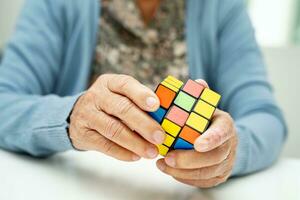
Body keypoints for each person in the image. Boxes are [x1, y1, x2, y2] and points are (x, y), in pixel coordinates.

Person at [0, 0, 287, 188]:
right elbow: (5, 102)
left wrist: (229, 150)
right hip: (81, 187)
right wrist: (71, 117)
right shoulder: (54, 4)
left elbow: (266, 117)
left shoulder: (222, 7)